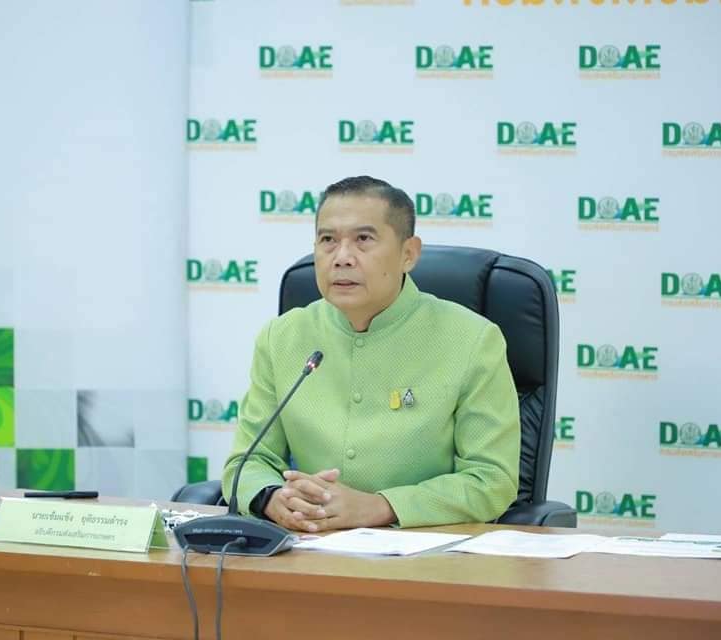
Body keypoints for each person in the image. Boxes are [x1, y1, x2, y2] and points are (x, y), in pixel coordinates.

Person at [221, 176, 520, 532]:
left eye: (363, 239)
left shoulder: (471, 339)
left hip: (422, 549)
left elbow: (491, 479)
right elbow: (248, 461)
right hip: (309, 543)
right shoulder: (282, 337)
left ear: (409, 254)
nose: (342, 258)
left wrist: (382, 507)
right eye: (328, 240)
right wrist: (272, 499)